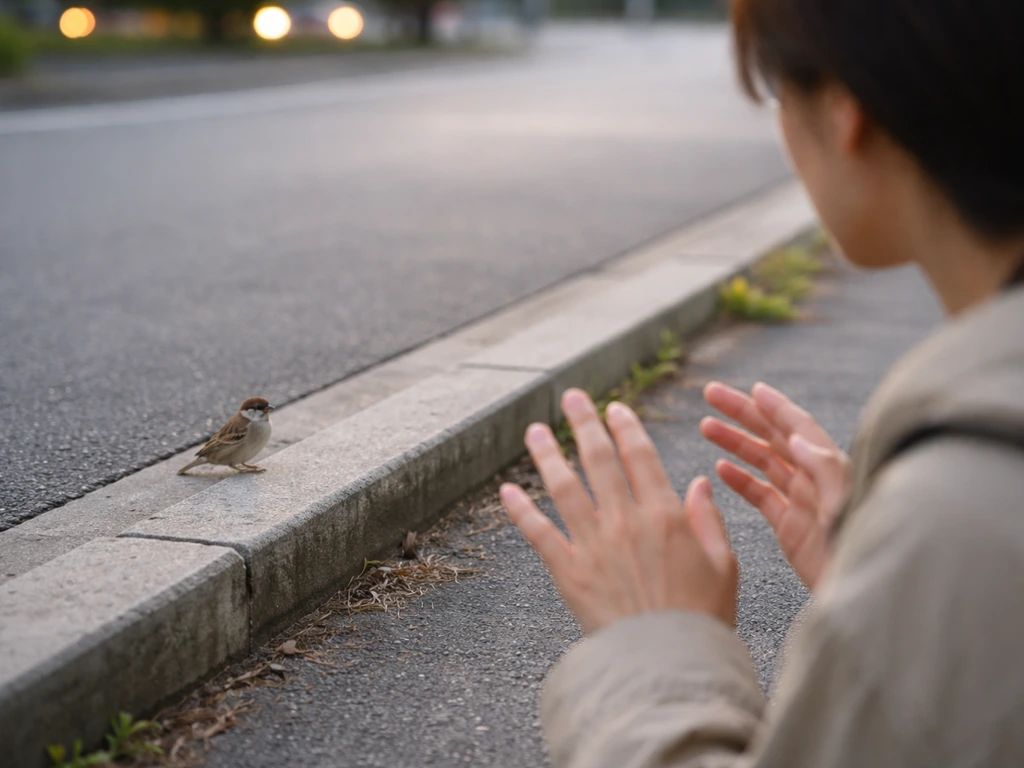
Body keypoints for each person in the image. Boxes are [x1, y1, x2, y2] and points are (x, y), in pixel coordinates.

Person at [498, 1, 1024, 765]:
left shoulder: (967, 508)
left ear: (848, 112)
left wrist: (656, 650)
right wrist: (889, 593)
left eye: (779, 91)